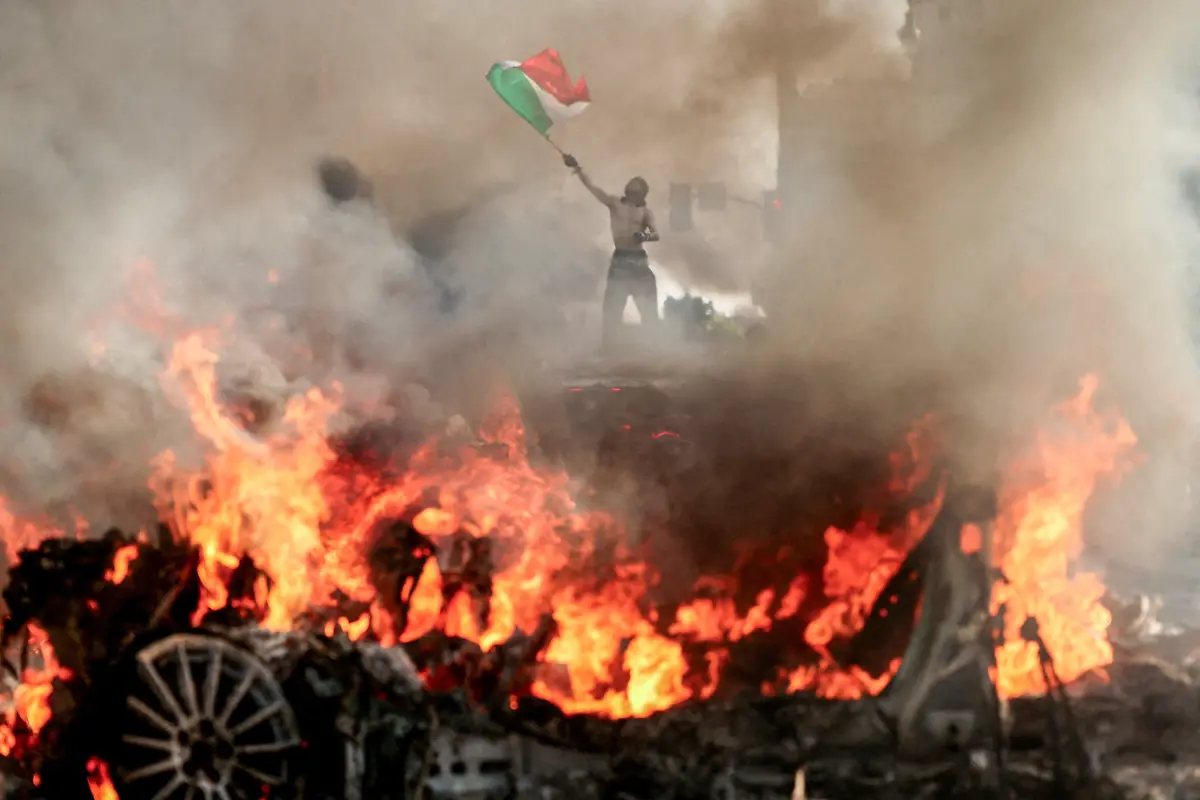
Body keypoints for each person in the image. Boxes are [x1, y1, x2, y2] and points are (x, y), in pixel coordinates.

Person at [563, 154, 660, 352]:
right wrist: (579, 169)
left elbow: (655, 234)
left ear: (642, 193)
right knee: (612, 311)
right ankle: (610, 351)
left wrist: (641, 236)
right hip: (620, 261)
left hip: (638, 263)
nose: (632, 191)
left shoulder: (645, 213)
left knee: (648, 312)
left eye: (636, 189)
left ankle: (655, 350)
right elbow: (593, 189)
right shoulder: (615, 204)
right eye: (631, 187)